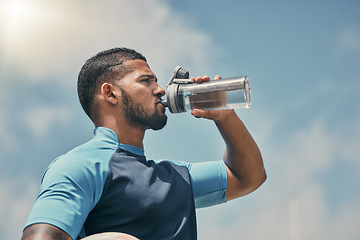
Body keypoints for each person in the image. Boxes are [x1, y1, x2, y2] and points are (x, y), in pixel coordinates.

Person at [21, 47, 266, 240]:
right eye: (146, 80)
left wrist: (225, 115)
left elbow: (249, 177)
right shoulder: (81, 166)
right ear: (110, 93)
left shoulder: (174, 177)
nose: (160, 89)